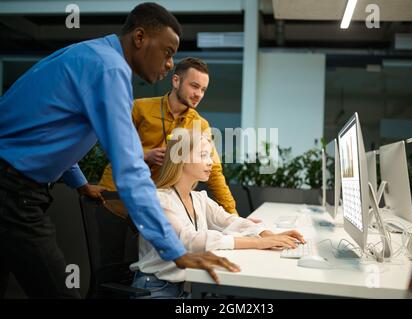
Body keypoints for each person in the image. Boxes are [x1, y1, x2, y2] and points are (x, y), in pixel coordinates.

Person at [0, 2, 238, 299]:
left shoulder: (92, 54)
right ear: (140, 38)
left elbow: (51, 128)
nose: (168, 64)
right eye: (167, 53)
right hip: (14, 191)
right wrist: (176, 251)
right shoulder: (111, 71)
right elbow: (130, 168)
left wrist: (79, 182)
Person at [130, 129, 305, 298]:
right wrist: (257, 243)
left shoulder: (199, 198)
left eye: (210, 155)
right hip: (156, 287)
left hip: (189, 286)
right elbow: (190, 240)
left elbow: (229, 221)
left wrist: (267, 234)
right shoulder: (159, 199)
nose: (210, 162)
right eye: (203, 155)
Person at [98, 57, 239, 215]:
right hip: (117, 199)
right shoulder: (139, 108)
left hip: (158, 207)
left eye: (203, 90)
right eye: (194, 86)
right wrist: (144, 155)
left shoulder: (201, 125)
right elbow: (110, 145)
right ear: (176, 81)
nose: (199, 94)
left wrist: (234, 216)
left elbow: (214, 172)